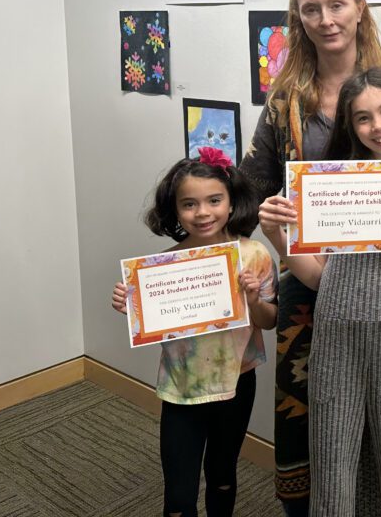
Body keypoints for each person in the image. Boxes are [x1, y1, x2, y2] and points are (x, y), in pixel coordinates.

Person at [238, 0, 381, 516]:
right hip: (308, 286)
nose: (325, 19)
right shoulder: (287, 98)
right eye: (310, 10)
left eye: (336, 5)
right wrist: (206, 244)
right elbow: (251, 183)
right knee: (315, 423)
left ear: (359, 7)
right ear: (297, 19)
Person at [259, 67, 381, 517]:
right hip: (334, 339)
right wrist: (276, 235)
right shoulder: (327, 184)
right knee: (332, 462)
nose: (378, 126)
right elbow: (318, 278)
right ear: (350, 125)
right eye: (363, 118)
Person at [111, 147, 278, 517]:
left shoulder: (255, 256)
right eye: (189, 204)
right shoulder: (164, 267)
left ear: (232, 203)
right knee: (179, 495)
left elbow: (268, 321)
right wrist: (131, 301)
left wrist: (252, 297)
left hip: (237, 384)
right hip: (181, 391)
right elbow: (151, 320)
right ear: (175, 210)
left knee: (222, 476)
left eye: (214, 200)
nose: (203, 213)